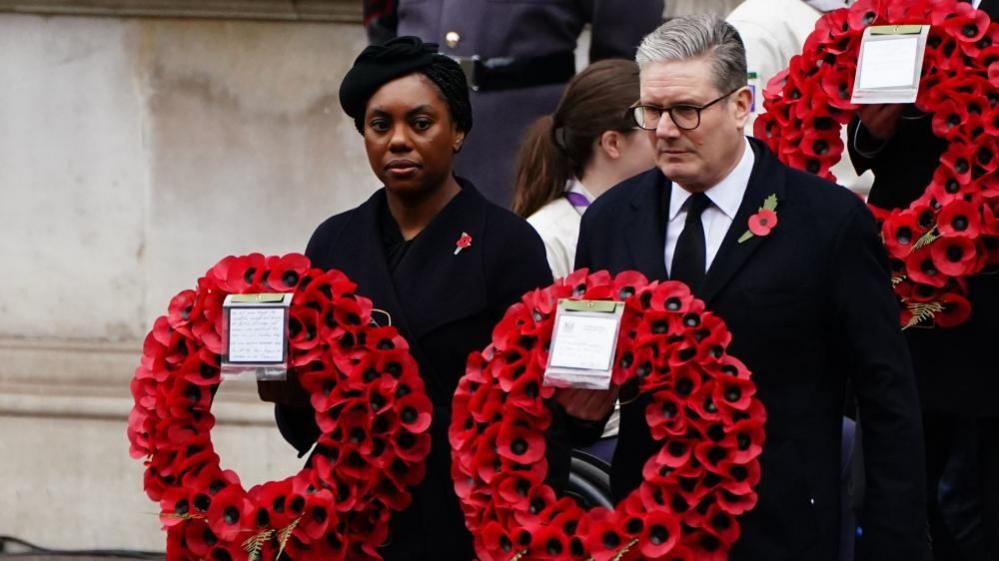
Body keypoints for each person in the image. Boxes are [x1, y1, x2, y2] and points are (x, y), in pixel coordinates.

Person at [571, 16, 929, 561]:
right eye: (652, 112)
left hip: (782, 523)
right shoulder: (610, 221)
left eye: (686, 110)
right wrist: (581, 409)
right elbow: (586, 373)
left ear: (741, 104)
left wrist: (894, 541)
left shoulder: (825, 222)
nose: (665, 130)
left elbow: (887, 396)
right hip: (650, 523)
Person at [258, 36, 558, 561]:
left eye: (420, 124)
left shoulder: (507, 244)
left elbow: (539, 412)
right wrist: (286, 388)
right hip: (355, 515)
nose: (398, 141)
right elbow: (308, 426)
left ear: (458, 131)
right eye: (380, 126)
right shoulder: (333, 241)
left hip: (465, 518)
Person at [847, 2, 999, 558]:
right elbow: (861, 141)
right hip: (913, 268)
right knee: (908, 462)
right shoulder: (894, 9)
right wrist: (870, 130)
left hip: (990, 284)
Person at [364, 0, 665, 207]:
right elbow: (381, 17)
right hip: (419, 112)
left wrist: (600, 113)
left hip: (520, 124)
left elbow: (625, 37)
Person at [513, 58, 656, 279]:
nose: (669, 133)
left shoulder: (662, 214)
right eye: (653, 122)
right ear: (612, 143)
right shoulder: (548, 238)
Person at [726, 0, 873, 195]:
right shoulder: (756, 25)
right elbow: (746, 139)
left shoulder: (871, 10)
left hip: (876, 200)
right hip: (813, 204)